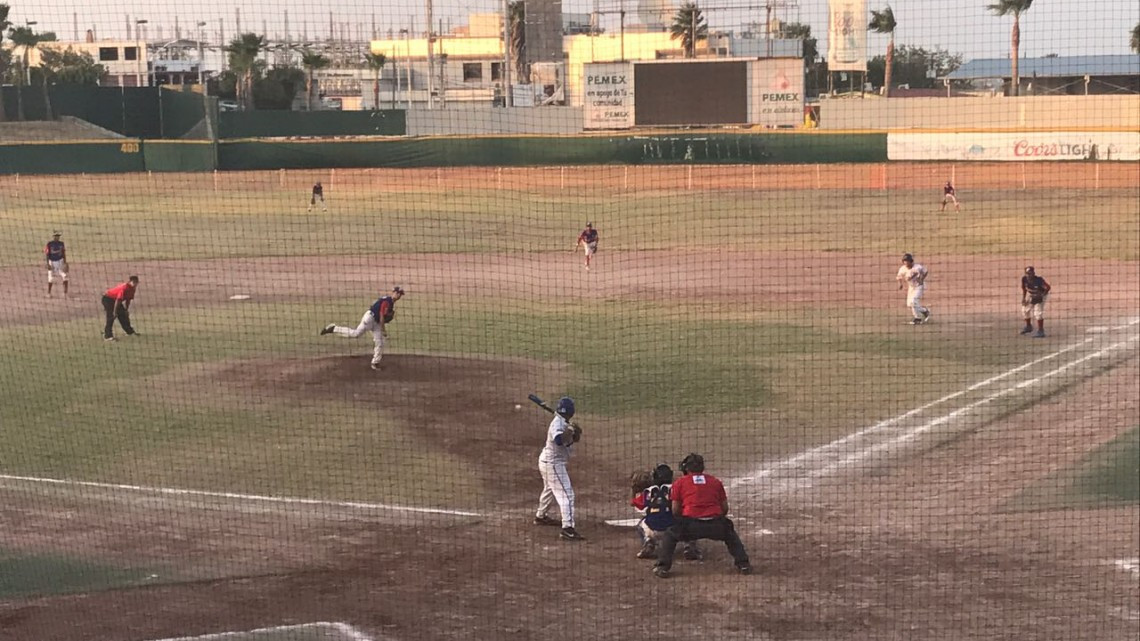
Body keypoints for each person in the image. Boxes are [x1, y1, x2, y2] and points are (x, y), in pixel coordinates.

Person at [652, 453, 751, 578]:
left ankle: (663, 567)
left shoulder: (679, 483)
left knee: (670, 534)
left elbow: (675, 510)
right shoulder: (715, 481)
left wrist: (686, 520)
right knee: (730, 533)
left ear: (686, 468)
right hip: (716, 526)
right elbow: (724, 509)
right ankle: (743, 564)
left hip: (691, 527)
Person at [533, 396, 585, 541]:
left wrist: (575, 432)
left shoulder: (564, 422)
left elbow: (573, 439)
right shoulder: (557, 424)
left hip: (548, 462)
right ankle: (567, 528)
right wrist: (568, 431)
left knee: (549, 490)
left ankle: (541, 516)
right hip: (553, 464)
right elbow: (559, 440)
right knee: (567, 495)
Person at [321, 286, 404, 370]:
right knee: (356, 334)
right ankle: (334, 328)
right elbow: (382, 317)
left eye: (400, 294)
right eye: (397, 293)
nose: (398, 296)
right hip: (369, 319)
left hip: (377, 322)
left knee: (380, 342)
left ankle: (375, 363)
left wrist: (388, 317)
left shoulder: (391, 304)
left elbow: (383, 317)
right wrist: (384, 330)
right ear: (393, 292)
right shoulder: (387, 301)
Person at [630, 463, 701, 561]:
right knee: (690, 518)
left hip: (653, 529)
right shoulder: (677, 488)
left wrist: (633, 490)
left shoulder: (648, 491)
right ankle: (689, 545)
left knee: (641, 523)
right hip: (673, 530)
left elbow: (633, 503)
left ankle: (648, 541)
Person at [896, 253, 931, 325]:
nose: (906, 262)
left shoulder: (917, 267)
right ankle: (925, 311)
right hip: (911, 287)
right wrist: (900, 284)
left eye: (907, 261)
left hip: (919, 286)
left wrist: (922, 279)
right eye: (905, 261)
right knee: (909, 304)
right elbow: (899, 277)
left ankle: (917, 318)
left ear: (911, 261)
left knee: (914, 301)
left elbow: (925, 271)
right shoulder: (902, 269)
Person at [102, 276, 139, 341]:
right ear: (130, 282)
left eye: (136, 282)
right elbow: (118, 300)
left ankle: (129, 332)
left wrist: (126, 310)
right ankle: (107, 336)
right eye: (133, 282)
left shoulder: (133, 289)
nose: (135, 284)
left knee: (123, 315)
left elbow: (128, 300)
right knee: (111, 316)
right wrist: (114, 312)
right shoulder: (124, 288)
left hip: (115, 300)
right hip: (108, 298)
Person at [1020, 267, 1051, 338]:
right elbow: (1024, 289)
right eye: (1027, 273)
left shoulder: (1038, 280)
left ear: (1033, 273)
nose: (1029, 275)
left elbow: (1048, 287)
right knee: (1025, 310)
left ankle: (1041, 331)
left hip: (1041, 296)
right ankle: (1028, 327)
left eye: (1030, 273)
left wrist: (1042, 295)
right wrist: (1024, 298)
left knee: (1037, 313)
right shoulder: (1024, 279)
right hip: (1032, 296)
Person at [44, 231, 68, 297]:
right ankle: (49, 293)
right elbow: (47, 254)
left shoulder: (61, 244)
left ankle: (65, 293)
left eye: (58, 236)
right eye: (55, 236)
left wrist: (65, 263)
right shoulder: (49, 244)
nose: (57, 237)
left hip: (60, 261)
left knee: (65, 276)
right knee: (50, 278)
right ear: (53, 236)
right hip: (51, 262)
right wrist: (48, 264)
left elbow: (63, 253)